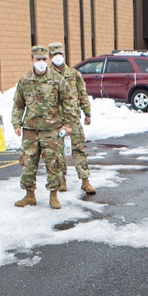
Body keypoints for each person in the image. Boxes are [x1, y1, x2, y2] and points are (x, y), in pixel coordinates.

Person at [12, 46, 76, 210]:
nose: (41, 62)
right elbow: (18, 104)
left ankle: (53, 195)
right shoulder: (25, 80)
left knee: (53, 163)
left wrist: (68, 124)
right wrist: (16, 123)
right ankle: (29, 195)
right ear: (31, 59)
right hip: (30, 131)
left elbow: (68, 101)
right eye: (37, 59)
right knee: (27, 163)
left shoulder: (56, 79)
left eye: (43, 59)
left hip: (51, 130)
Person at [48, 42, 96, 194]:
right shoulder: (47, 76)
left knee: (79, 149)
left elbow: (82, 94)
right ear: (50, 57)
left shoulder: (74, 74)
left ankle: (85, 180)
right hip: (55, 120)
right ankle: (62, 180)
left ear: (64, 55)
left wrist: (87, 112)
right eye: (54, 55)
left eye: (60, 54)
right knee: (57, 151)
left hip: (72, 118)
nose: (58, 57)